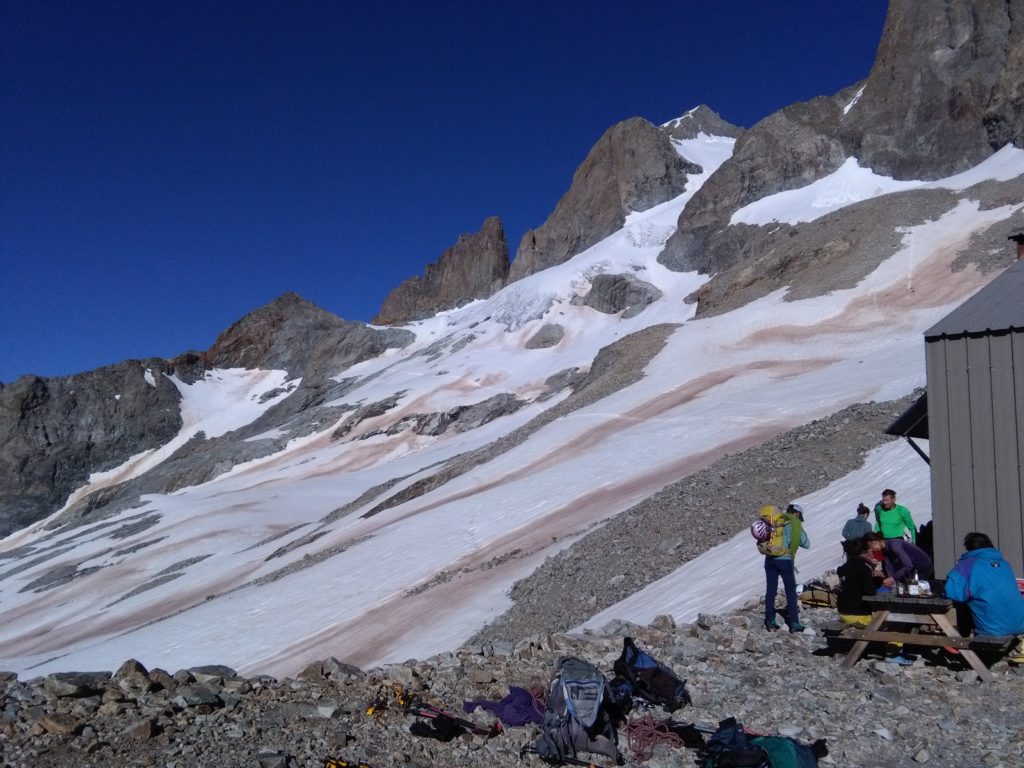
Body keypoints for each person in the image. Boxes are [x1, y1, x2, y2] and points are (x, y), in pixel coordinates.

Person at [945, 532, 1024, 639]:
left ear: (968, 547)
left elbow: (952, 592)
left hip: (992, 630)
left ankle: (962, 639)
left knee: (963, 603)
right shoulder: (1004, 564)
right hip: (1019, 625)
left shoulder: (968, 564)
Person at [763, 502, 810, 633]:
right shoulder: (794, 522)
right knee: (790, 591)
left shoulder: (775, 519)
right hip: (785, 560)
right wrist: (799, 528)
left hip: (770, 559)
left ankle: (770, 621)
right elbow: (806, 543)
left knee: (771, 590)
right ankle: (794, 623)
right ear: (797, 513)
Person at [836, 537, 878, 626]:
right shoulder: (864, 568)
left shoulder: (842, 569)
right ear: (862, 551)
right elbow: (871, 591)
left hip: (842, 612)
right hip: (858, 614)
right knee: (884, 621)